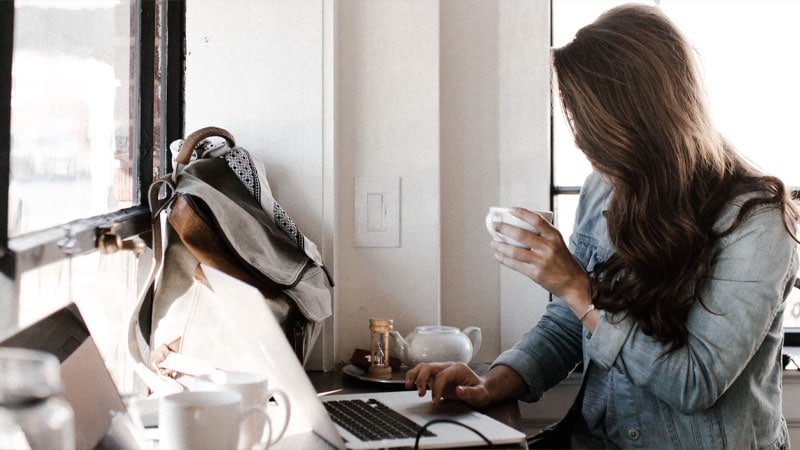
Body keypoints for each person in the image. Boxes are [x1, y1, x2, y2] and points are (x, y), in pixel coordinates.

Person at [405, 3, 799, 448]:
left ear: (642, 120)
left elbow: (696, 382)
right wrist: (492, 382)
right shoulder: (605, 190)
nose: (583, 145)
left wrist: (576, 287)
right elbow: (569, 324)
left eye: (593, 128)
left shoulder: (758, 223)